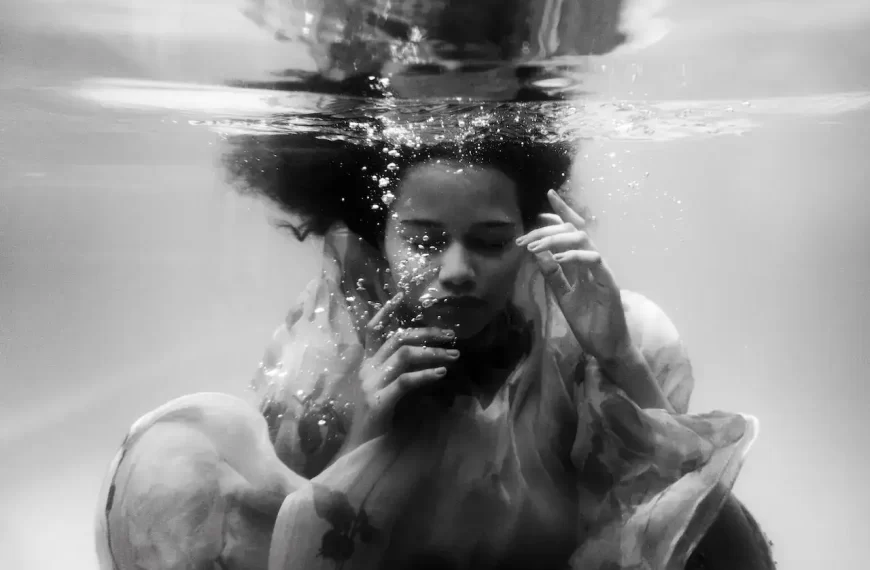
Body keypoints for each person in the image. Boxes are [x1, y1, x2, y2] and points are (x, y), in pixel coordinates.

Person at [95, 130, 775, 570]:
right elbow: (301, 544)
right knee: (174, 473)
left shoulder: (600, 331)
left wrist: (618, 358)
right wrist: (369, 430)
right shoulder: (326, 357)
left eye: (488, 240)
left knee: (729, 535)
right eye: (422, 239)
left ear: (532, 240)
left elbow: (656, 521)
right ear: (380, 242)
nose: (456, 271)